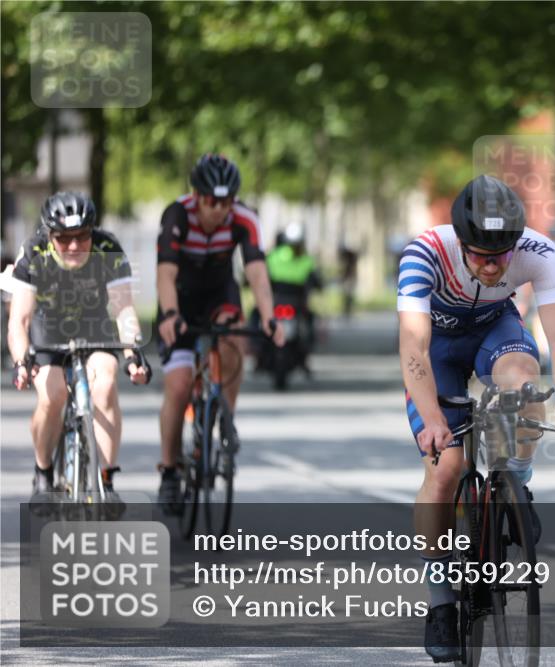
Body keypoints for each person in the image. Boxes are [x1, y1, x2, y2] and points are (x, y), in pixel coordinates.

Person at [397, 175, 555, 662]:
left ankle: (516, 483)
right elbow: (414, 347)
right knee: (445, 471)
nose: (491, 266)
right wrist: (432, 420)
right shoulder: (424, 254)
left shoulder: (539, 251)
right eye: (480, 255)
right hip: (437, 351)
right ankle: (442, 601)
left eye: (500, 256)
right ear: (460, 241)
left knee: (523, 382)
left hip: (495, 330)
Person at [155, 154, 283, 512]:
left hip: (218, 293)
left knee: (233, 338)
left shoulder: (244, 218)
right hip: (179, 297)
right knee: (179, 385)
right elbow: (165, 272)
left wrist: (270, 317)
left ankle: (225, 415)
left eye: (226, 201)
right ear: (197, 195)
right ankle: (168, 470)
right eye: (212, 200)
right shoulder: (177, 215)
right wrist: (168, 315)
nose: (218, 209)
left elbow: (256, 271)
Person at [7, 192, 150, 502]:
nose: (74, 246)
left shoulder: (107, 248)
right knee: (53, 393)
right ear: (50, 235)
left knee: (107, 380)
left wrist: (132, 354)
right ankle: (44, 471)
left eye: (82, 237)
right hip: (48, 325)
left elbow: (124, 308)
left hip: (92, 322)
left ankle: (106, 480)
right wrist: (21, 361)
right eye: (64, 238)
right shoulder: (35, 251)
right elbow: (19, 319)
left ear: (92, 231)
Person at [265, 222, 322, 352]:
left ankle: (257, 350)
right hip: (295, 302)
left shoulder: (273, 256)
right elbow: (316, 280)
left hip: (278, 301)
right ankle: (306, 352)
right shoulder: (307, 259)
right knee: (309, 322)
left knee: (258, 316)